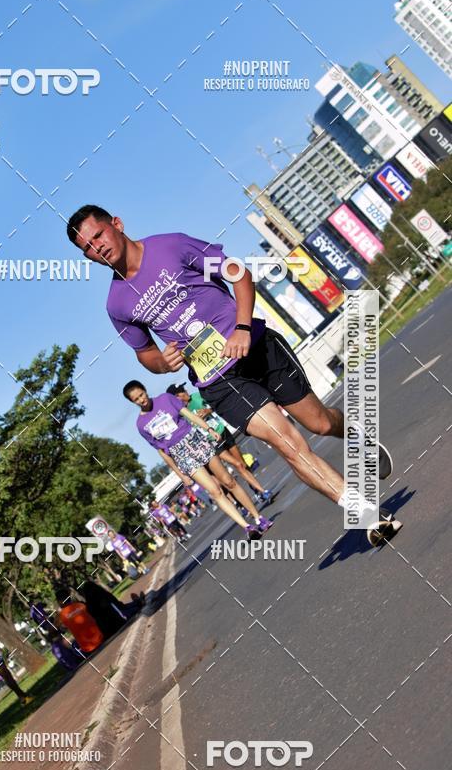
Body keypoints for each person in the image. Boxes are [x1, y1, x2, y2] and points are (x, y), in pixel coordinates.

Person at [67, 206, 400, 546]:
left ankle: (357, 438)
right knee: (287, 443)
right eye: (88, 248)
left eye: (99, 235)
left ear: (117, 224)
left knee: (320, 423)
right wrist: (163, 363)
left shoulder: (172, 247)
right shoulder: (117, 305)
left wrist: (241, 327)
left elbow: (238, 273)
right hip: (218, 381)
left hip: (255, 346)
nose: (98, 247)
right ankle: (367, 514)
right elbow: (145, 353)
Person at [124, 381, 272, 538]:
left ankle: (258, 518)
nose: (141, 400)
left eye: (141, 395)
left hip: (195, 439)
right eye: (136, 399)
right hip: (181, 454)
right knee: (215, 492)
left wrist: (208, 429)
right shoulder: (141, 425)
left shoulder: (166, 399)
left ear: (145, 390)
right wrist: (181, 475)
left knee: (228, 481)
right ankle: (247, 527)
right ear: (133, 402)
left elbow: (190, 416)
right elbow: (162, 451)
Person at [167, 382, 273, 503]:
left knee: (242, 464)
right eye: (181, 390)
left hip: (222, 431)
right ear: (176, 397)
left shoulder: (197, 396)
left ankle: (256, 490)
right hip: (212, 443)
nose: (185, 391)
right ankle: (263, 491)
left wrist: (208, 410)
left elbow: (214, 404)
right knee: (237, 465)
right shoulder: (181, 415)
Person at [79, 580, 144, 638]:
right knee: (125, 611)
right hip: (118, 623)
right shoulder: (103, 597)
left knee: (122, 608)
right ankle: (138, 603)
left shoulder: (89, 606)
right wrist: (136, 607)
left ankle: (136, 602)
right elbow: (121, 612)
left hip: (108, 632)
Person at [54, 585, 105, 656]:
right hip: (101, 638)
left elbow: (54, 629)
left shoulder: (61, 615)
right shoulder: (80, 605)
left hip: (87, 648)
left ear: (60, 601)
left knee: (73, 645)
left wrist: (58, 612)